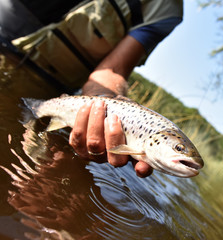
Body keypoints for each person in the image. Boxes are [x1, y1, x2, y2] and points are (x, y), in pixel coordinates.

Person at [0, 0, 183, 178]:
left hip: (48, 86)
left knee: (39, 172)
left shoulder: (165, 12)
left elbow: (113, 69)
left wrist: (98, 105)